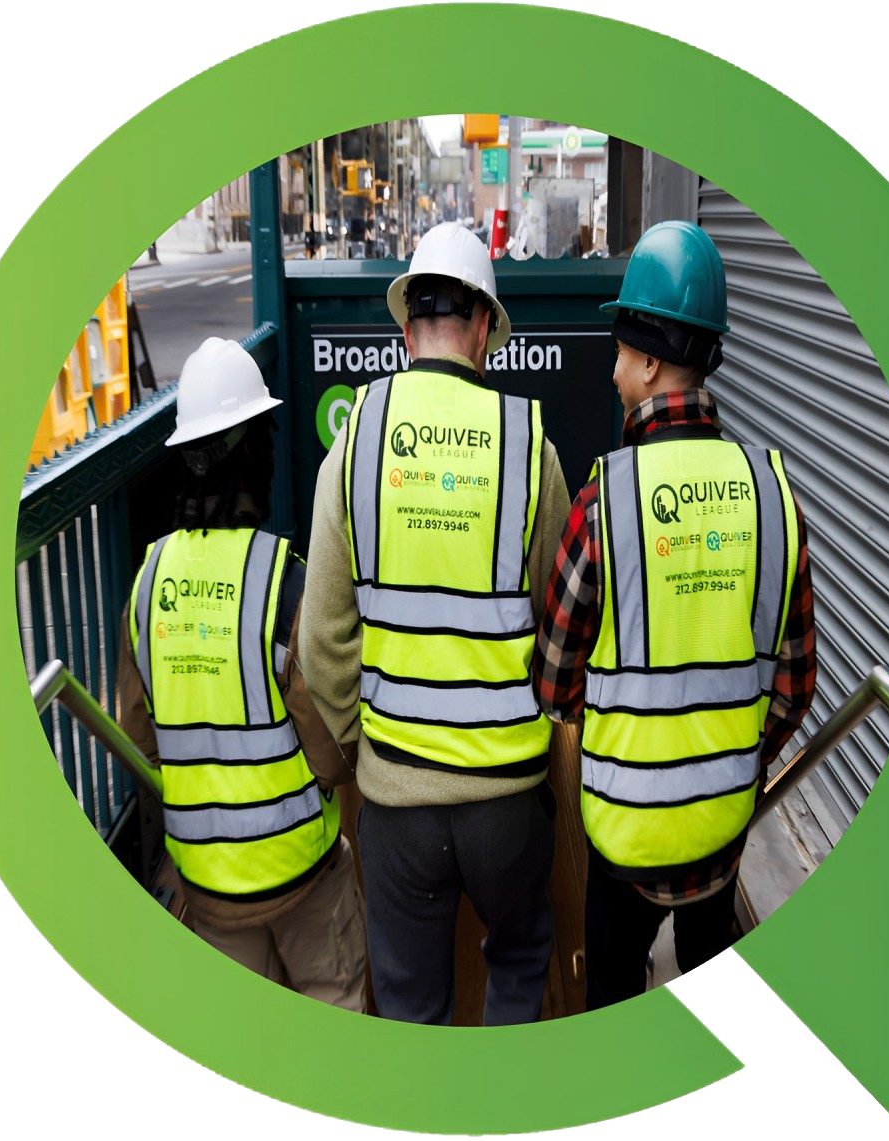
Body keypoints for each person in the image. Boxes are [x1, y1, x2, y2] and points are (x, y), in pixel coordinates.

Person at [531, 220, 817, 1010]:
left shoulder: (606, 498)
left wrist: (630, 732)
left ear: (650, 360)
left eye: (622, 349)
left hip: (623, 839)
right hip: (722, 838)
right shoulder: (773, 494)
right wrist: (720, 756)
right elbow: (794, 686)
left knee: (615, 1010)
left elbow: (554, 685)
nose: (614, 366)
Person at [298, 221, 571, 1026]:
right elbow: (560, 621)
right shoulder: (530, 446)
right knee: (521, 963)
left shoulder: (352, 450)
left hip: (396, 803)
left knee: (412, 1015)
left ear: (405, 324)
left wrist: (364, 745)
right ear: (485, 325)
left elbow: (322, 640)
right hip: (508, 802)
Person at [117, 336, 367, 1012]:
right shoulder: (278, 582)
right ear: (255, 453)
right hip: (301, 876)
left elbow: (138, 733)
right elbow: (326, 753)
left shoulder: (148, 582)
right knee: (336, 1017)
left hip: (204, 885)